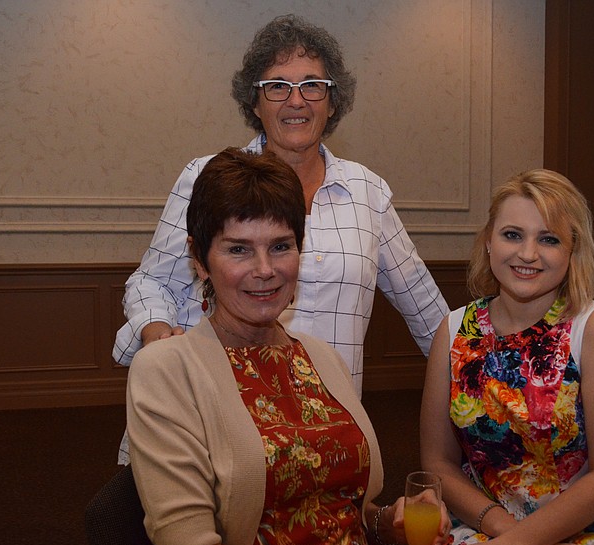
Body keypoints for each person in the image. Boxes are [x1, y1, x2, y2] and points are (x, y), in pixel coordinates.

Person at [113, 15, 448, 465]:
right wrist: (159, 340)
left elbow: (433, 319)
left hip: (324, 432)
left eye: (313, 85)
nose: (297, 101)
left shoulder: (367, 192)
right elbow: (150, 283)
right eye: (277, 86)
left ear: (332, 102)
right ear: (255, 101)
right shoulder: (205, 177)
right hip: (213, 425)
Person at [126, 147, 448, 545]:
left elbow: (336, 507)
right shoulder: (167, 369)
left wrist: (388, 521)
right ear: (199, 260)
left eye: (281, 246)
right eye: (239, 249)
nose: (265, 269)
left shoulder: (321, 359)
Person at [420, 169, 594, 545]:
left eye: (549, 239)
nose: (528, 254)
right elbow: (438, 463)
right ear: (488, 242)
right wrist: (509, 540)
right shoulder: (454, 330)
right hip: (485, 519)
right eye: (512, 235)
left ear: (572, 250)